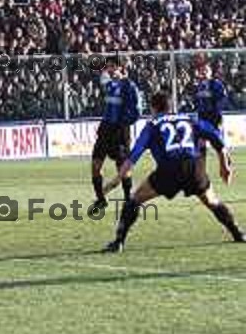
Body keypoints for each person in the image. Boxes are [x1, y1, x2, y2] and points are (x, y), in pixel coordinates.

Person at [102, 91, 245, 253]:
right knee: (212, 201)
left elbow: (134, 155)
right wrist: (224, 164)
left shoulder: (153, 125)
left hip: (169, 169)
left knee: (134, 201)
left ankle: (118, 242)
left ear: (153, 107)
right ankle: (238, 233)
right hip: (193, 167)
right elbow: (216, 136)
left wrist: (115, 180)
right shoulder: (188, 119)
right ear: (171, 106)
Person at [91, 57, 141, 212]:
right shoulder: (110, 85)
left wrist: (124, 123)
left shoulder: (129, 86)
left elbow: (137, 111)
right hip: (105, 129)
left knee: (123, 169)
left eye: (113, 67)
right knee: (95, 166)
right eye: (108, 67)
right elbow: (101, 78)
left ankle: (128, 201)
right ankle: (101, 200)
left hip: (119, 132)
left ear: (121, 68)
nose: (110, 70)